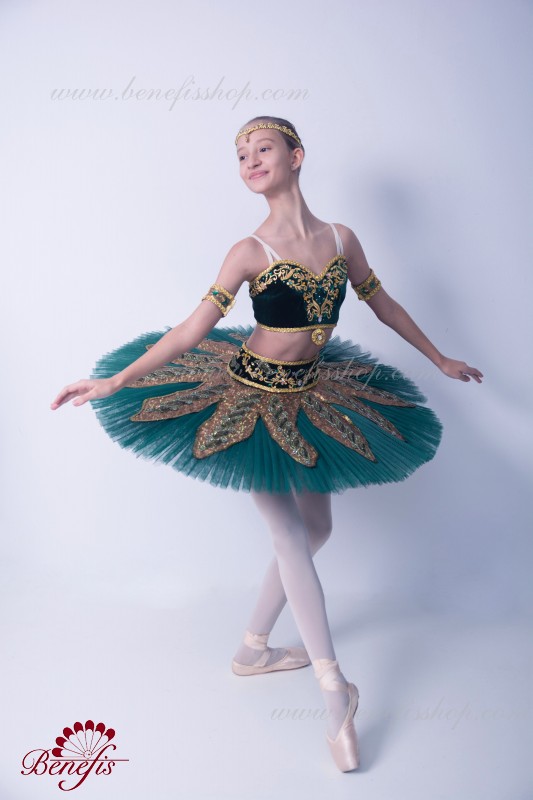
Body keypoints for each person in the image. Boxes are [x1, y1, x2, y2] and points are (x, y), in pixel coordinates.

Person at [50, 115, 483, 772]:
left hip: (313, 393)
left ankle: (253, 648)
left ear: (296, 156)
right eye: (240, 155)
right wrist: (115, 381)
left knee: (317, 528)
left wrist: (439, 356)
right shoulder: (248, 251)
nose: (250, 161)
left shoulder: (340, 238)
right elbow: (190, 331)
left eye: (262, 148)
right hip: (246, 397)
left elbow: (383, 303)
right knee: (288, 535)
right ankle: (335, 691)